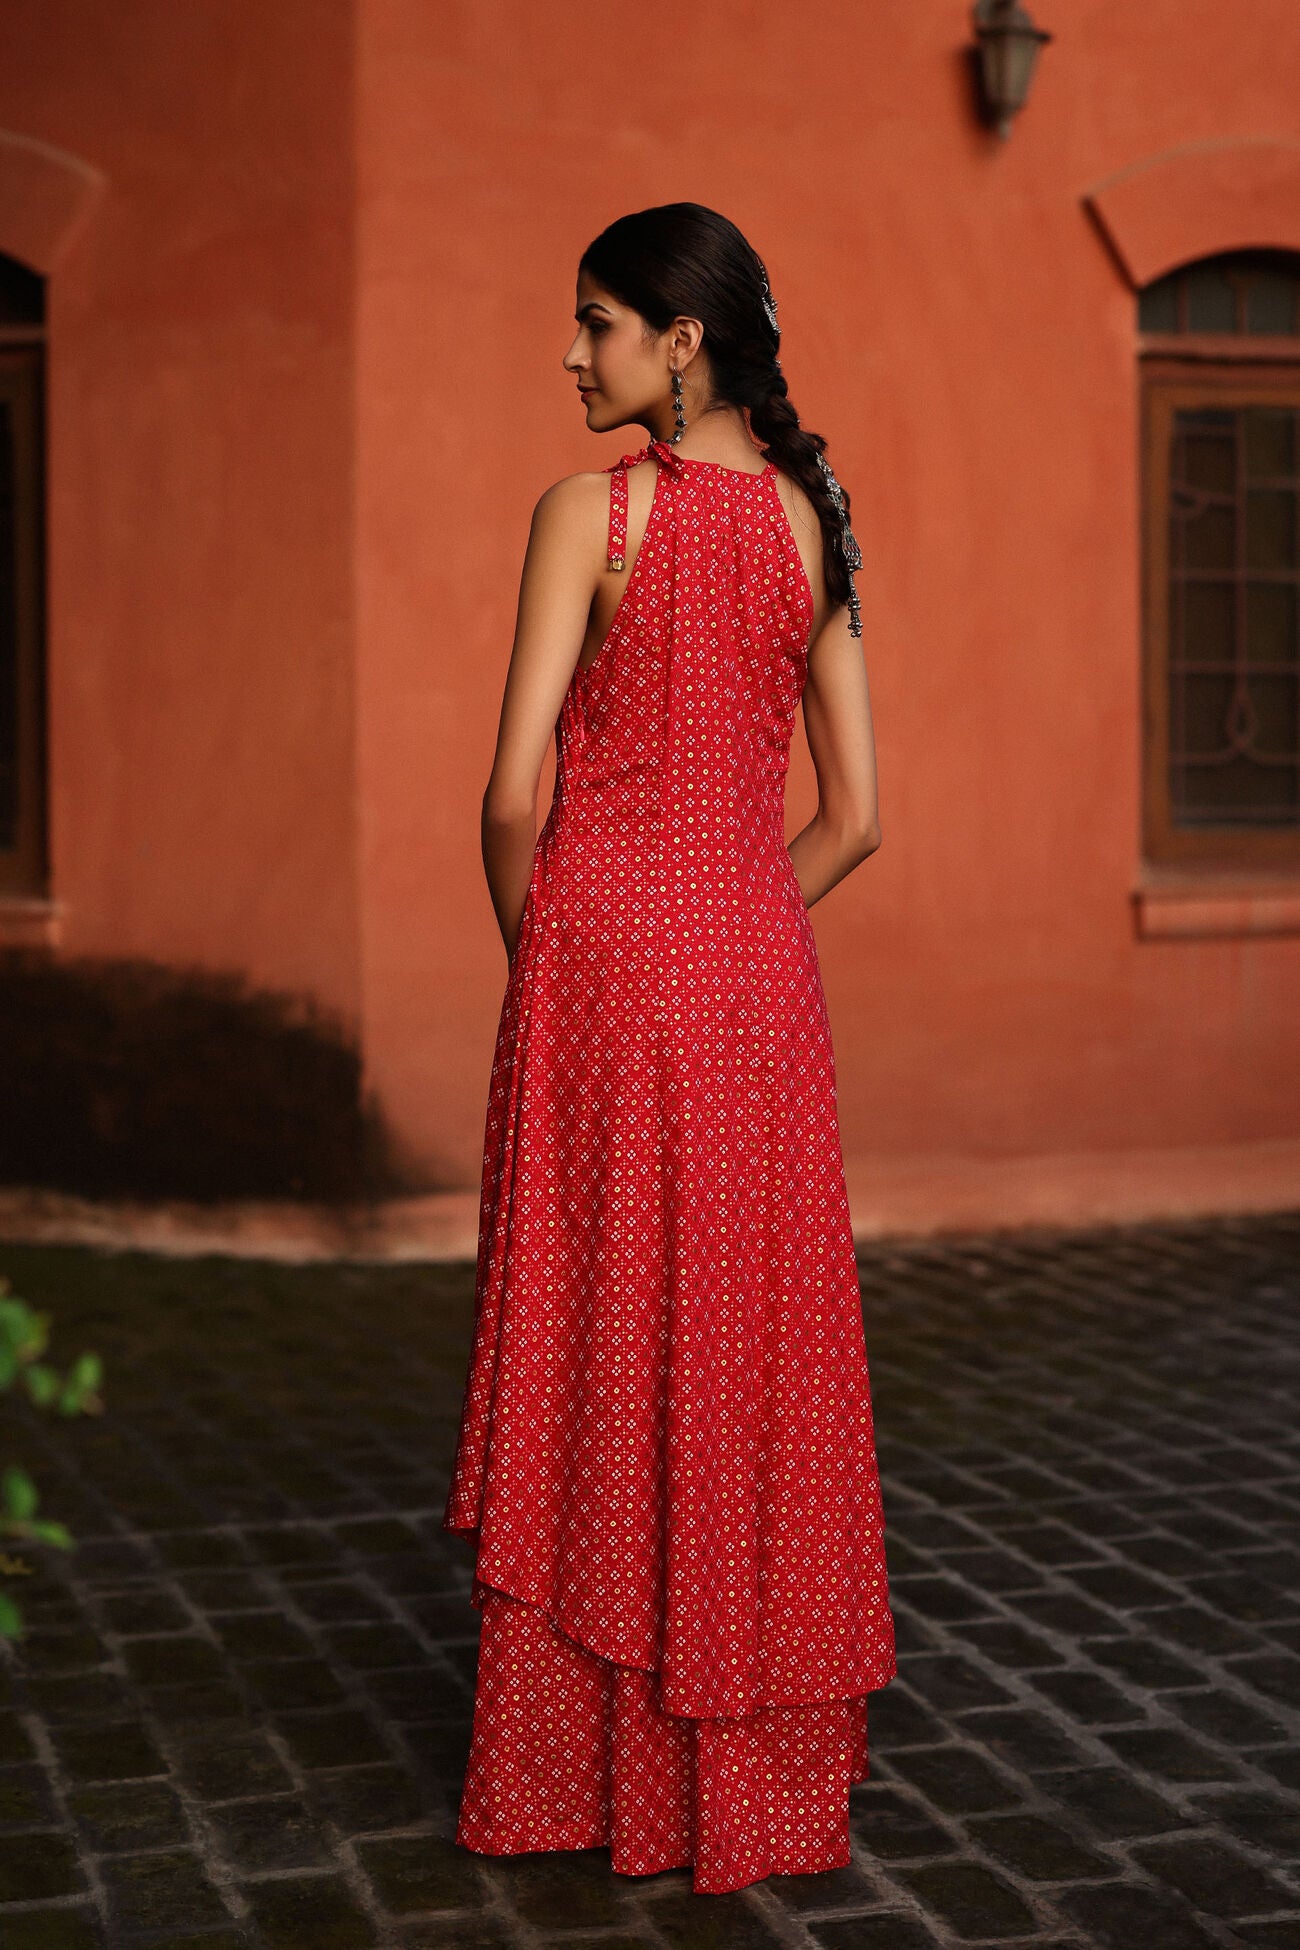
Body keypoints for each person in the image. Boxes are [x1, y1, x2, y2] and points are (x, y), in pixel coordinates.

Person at [442, 201, 897, 1896]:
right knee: (746, 1354)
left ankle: (572, 1770)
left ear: (682, 339)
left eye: (598, 322)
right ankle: (749, 1786)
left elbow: (510, 800)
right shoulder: (811, 522)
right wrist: (734, 929)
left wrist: (557, 966)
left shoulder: (592, 512)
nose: (572, 353)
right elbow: (857, 817)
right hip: (759, 989)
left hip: (601, 974)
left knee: (601, 1342)